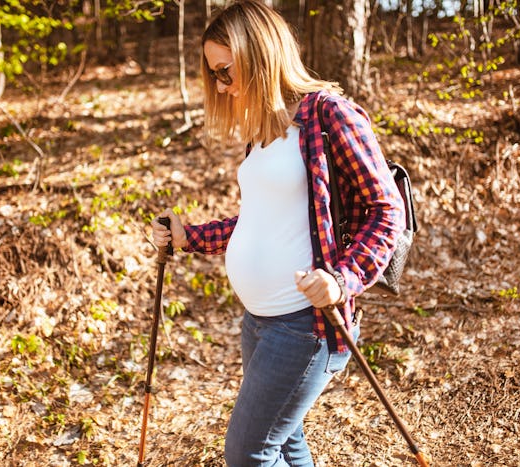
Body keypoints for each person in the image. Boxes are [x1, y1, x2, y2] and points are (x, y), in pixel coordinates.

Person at [151, 1, 406, 465]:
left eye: (226, 71)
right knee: (285, 441)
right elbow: (259, 222)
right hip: (260, 323)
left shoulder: (330, 115)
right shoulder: (263, 129)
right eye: (215, 77)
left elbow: (386, 211)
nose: (223, 87)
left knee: (248, 451)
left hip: (305, 327)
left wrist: (343, 278)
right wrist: (191, 236)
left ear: (258, 52)